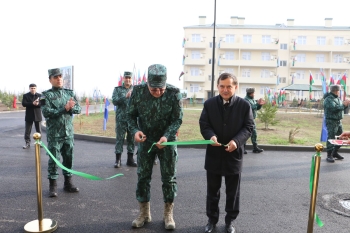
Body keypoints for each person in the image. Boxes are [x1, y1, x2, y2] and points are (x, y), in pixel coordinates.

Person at [127, 64, 183, 230]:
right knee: (143, 177)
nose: (158, 93)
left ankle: (168, 214)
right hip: (146, 142)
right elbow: (130, 116)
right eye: (154, 90)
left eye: (161, 89)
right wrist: (135, 131)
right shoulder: (138, 92)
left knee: (169, 178)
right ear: (148, 84)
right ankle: (144, 213)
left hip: (167, 141)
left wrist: (167, 135)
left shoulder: (174, 93)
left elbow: (177, 119)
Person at [199, 73, 254, 233]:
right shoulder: (209, 104)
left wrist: (236, 142)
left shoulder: (244, 106)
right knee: (212, 191)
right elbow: (204, 124)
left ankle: (230, 221)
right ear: (217, 86)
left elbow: (248, 127)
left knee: (233, 192)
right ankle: (211, 220)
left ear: (235, 87)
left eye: (229, 86)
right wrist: (211, 136)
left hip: (234, 155)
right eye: (222, 86)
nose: (225, 89)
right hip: (214, 155)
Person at [40, 68, 81, 197]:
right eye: (55, 77)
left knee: (69, 158)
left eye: (60, 76)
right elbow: (47, 113)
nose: (58, 79)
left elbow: (78, 109)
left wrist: (72, 107)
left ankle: (68, 183)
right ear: (50, 80)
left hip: (68, 133)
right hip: (55, 135)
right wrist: (64, 108)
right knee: (54, 160)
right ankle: (53, 186)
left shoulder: (70, 93)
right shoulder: (45, 96)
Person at [112, 71, 137, 168]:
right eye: (126, 78)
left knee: (131, 139)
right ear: (123, 79)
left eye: (129, 78)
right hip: (121, 119)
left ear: (131, 79)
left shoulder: (135, 90)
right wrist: (125, 96)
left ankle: (130, 159)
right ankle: (118, 160)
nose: (128, 80)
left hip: (132, 119)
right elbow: (114, 101)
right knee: (120, 139)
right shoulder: (117, 90)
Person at [323, 84, 350, 162]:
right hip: (331, 121)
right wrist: (343, 105)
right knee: (331, 137)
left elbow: (340, 108)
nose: (339, 92)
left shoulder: (337, 98)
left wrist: (346, 104)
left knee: (341, 137)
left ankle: (334, 152)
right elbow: (334, 109)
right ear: (336, 91)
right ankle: (329, 155)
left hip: (338, 121)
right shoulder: (328, 99)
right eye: (339, 90)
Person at [244, 88, 266, 154]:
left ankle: (255, 147)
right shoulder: (246, 100)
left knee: (254, 133)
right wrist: (257, 104)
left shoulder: (252, 99)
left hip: (252, 119)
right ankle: (242, 148)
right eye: (253, 93)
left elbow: (256, 108)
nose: (254, 94)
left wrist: (260, 104)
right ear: (250, 93)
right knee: (246, 134)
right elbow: (251, 108)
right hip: (247, 120)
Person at [21, 84, 42, 149]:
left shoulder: (40, 95)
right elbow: (24, 104)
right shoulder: (25, 95)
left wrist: (38, 104)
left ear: (36, 88)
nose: (33, 89)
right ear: (29, 89)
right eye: (31, 88)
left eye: (34, 88)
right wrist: (32, 103)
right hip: (29, 115)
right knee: (27, 131)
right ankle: (27, 143)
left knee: (38, 130)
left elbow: (43, 104)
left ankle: (39, 143)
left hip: (37, 115)